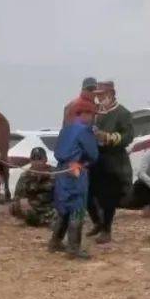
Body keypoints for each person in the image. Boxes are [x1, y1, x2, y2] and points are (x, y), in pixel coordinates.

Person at [50, 95, 101, 259]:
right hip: (76, 170)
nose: (92, 119)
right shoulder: (85, 131)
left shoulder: (65, 129)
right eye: (92, 115)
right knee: (77, 208)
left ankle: (55, 241)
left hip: (61, 171)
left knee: (63, 208)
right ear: (85, 114)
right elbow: (93, 154)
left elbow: (57, 152)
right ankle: (74, 248)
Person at [89, 80, 135, 243]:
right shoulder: (96, 112)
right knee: (88, 194)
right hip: (95, 159)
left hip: (113, 160)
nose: (99, 98)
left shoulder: (123, 113)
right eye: (97, 95)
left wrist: (108, 137)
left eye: (101, 95)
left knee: (107, 198)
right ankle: (97, 223)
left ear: (110, 94)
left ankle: (106, 230)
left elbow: (128, 136)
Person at [11, 147, 56, 227]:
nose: (36, 162)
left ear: (45, 159)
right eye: (34, 159)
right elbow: (18, 194)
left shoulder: (55, 173)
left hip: (49, 206)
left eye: (39, 159)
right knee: (14, 206)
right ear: (31, 161)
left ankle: (38, 221)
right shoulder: (25, 175)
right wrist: (22, 201)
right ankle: (37, 220)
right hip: (32, 206)